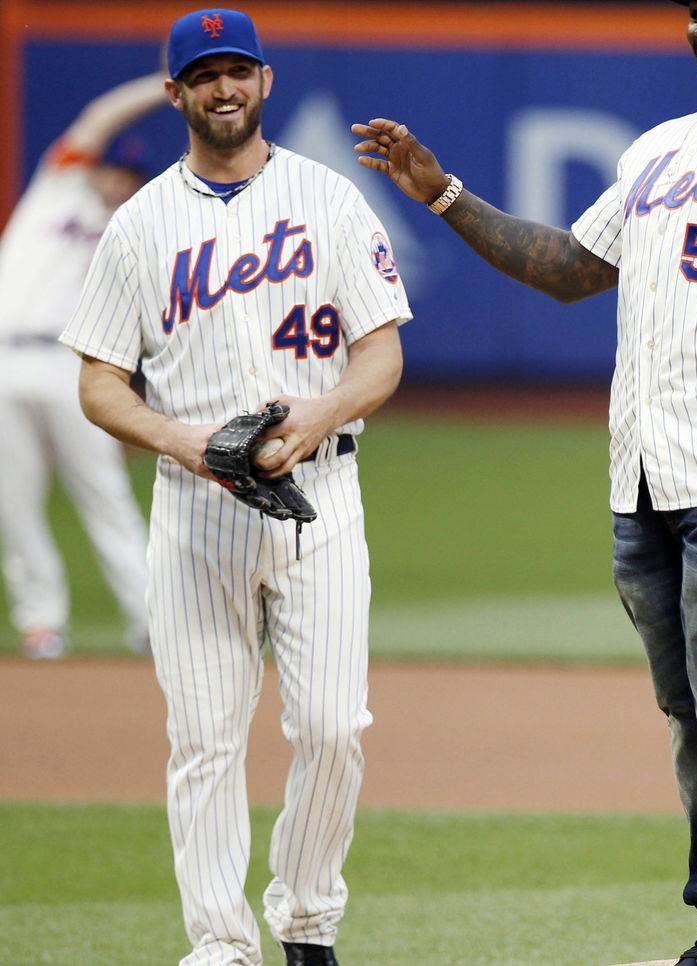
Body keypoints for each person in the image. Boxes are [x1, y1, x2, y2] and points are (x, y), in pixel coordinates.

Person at [353, 0, 697, 963]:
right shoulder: (659, 148)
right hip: (641, 470)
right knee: (689, 711)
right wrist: (443, 194)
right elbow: (569, 269)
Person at [61, 9, 411, 966]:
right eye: (203, 74)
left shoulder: (328, 200)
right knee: (205, 739)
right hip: (195, 513)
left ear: (264, 80)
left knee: (334, 730)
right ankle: (221, 943)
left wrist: (318, 413)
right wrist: (184, 440)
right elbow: (97, 380)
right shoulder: (138, 225)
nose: (223, 89)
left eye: (237, 71)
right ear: (176, 92)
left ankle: (305, 919)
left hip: (320, 498)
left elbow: (380, 358)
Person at [0, 71, 167, 659]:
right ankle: (40, 623)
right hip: (3, 361)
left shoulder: (133, 235)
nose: (115, 179)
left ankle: (151, 620)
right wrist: (162, 85)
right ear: (93, 168)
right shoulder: (57, 187)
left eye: (127, 175)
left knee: (105, 495)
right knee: (12, 504)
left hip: (71, 367)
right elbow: (98, 117)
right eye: (110, 168)